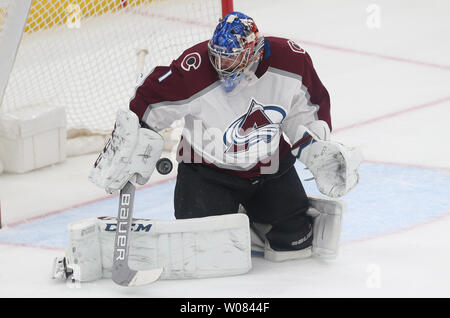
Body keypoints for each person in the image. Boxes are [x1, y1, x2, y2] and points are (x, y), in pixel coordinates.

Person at [89, 11, 362, 264]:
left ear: (254, 51)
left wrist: (316, 147)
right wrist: (130, 139)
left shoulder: (290, 60)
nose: (221, 65)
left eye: (230, 58)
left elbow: (306, 109)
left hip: (269, 167)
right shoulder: (194, 69)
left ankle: (249, 222)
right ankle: (230, 217)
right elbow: (150, 100)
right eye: (217, 56)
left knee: (295, 244)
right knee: (206, 254)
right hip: (207, 172)